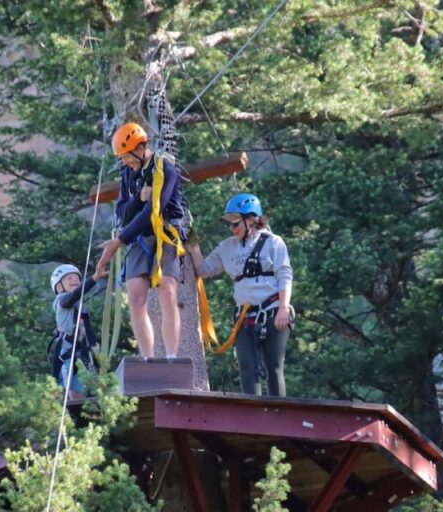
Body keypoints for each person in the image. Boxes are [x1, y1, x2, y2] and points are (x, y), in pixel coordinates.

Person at [96, 122, 187, 360]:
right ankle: (148, 358)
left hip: (166, 232)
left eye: (127, 157)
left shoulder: (164, 169)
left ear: (140, 148)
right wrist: (138, 196)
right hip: (138, 236)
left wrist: (119, 241)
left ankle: (170, 356)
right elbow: (122, 212)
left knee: (167, 289)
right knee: (136, 295)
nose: (125, 162)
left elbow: (153, 213)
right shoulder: (128, 174)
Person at [189, 193, 293, 396]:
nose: (231, 228)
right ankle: (253, 418)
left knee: (274, 366)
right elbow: (203, 269)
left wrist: (283, 307)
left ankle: (278, 414)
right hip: (245, 317)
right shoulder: (227, 247)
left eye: (235, 224)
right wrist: (192, 244)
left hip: (273, 311)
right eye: (229, 225)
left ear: (252, 219)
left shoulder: (274, 242)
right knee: (247, 366)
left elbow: (284, 274)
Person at [50, 263, 107, 400]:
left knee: (94, 396)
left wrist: (99, 359)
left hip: (85, 356)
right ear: (59, 287)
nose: (75, 280)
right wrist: (95, 278)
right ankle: (75, 414)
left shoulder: (80, 308)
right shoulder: (62, 301)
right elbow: (76, 294)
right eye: (69, 278)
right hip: (71, 356)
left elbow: (89, 335)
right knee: (78, 395)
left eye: (76, 278)